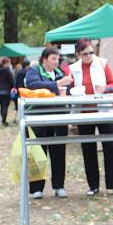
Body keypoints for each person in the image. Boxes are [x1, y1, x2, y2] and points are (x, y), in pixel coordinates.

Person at [70, 38, 113, 196]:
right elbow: (69, 86)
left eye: (91, 52)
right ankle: (93, 186)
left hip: (103, 111)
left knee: (109, 148)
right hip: (84, 113)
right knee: (88, 150)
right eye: (86, 53)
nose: (89, 56)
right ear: (79, 54)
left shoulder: (102, 63)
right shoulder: (73, 68)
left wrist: (105, 88)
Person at [24, 47, 74, 198]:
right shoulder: (34, 70)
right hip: (38, 117)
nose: (56, 62)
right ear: (44, 59)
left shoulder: (60, 72)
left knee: (59, 151)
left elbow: (69, 89)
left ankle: (59, 186)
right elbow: (33, 85)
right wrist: (57, 84)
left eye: (58, 59)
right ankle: (36, 188)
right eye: (53, 58)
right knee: (38, 153)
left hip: (58, 116)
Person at [0, 57, 14, 126]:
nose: (9, 64)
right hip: (6, 91)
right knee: (5, 106)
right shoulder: (7, 70)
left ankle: (3, 119)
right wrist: (11, 87)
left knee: (2, 106)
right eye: (9, 63)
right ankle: (4, 121)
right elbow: (11, 80)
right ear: (6, 63)